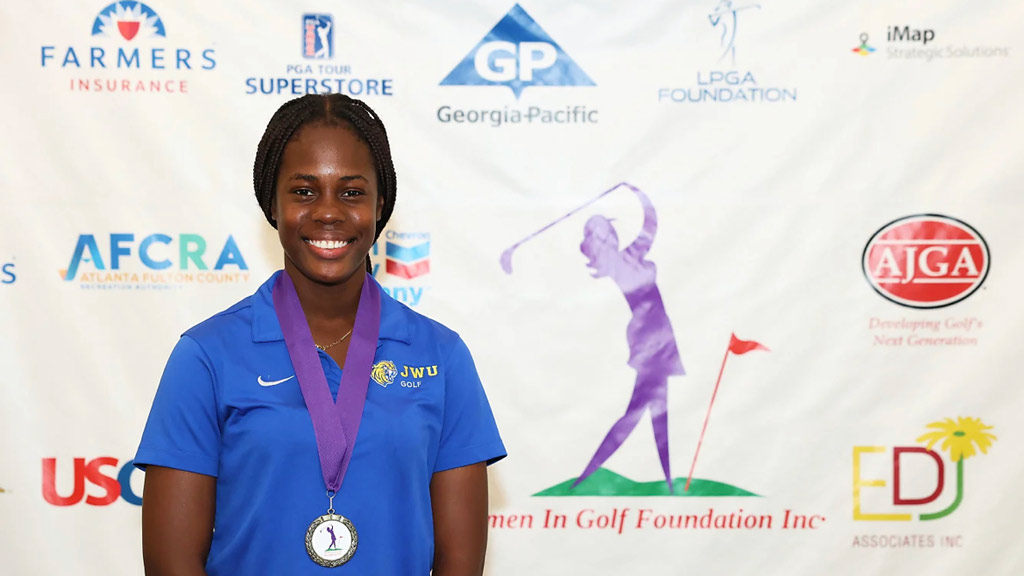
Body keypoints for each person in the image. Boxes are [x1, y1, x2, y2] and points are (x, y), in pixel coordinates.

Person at [135, 94, 505, 575]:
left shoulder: (442, 356)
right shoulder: (206, 356)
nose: (328, 212)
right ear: (272, 202)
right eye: (304, 191)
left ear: (380, 205)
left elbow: (459, 563)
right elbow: (172, 564)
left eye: (351, 192)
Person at [570, 185, 684, 492]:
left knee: (658, 414)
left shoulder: (626, 258)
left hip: (657, 336)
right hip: (651, 339)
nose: (609, 233)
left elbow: (651, 224)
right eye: (603, 230)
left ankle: (670, 481)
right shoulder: (619, 262)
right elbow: (650, 227)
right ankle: (585, 476)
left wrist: (640, 195)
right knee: (638, 415)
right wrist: (639, 195)